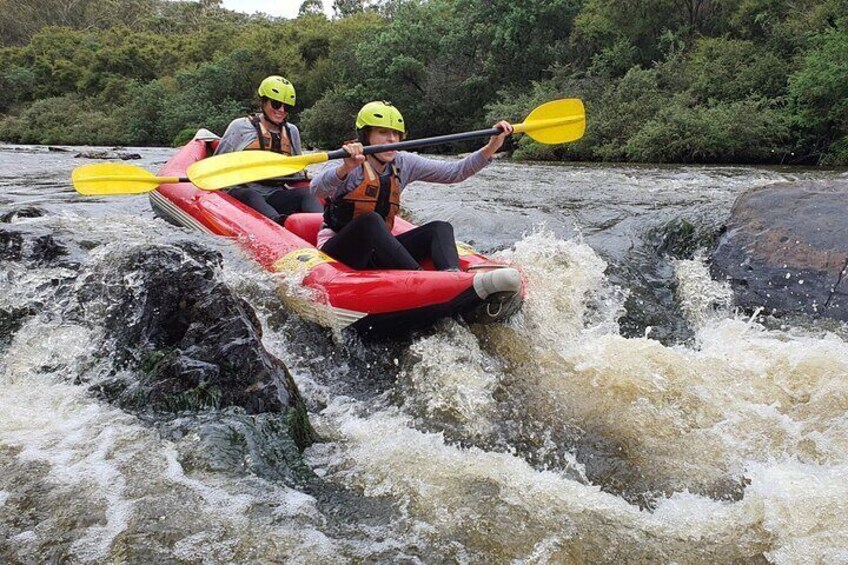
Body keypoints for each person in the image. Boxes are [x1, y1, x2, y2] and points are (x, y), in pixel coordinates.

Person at [310, 101, 512, 271]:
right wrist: (345, 168)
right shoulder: (349, 160)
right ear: (365, 136)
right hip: (341, 251)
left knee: (439, 228)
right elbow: (316, 189)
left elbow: (454, 173)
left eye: (396, 134)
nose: (392, 139)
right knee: (370, 220)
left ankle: (453, 276)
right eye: (383, 133)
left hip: (378, 250)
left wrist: (492, 146)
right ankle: (419, 278)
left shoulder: (403, 162)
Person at [214, 75, 321, 224]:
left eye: (286, 107)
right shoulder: (240, 127)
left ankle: (323, 228)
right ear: (263, 102)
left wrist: (306, 176)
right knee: (252, 195)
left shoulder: (292, 132)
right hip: (243, 192)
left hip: (273, 194)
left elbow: (296, 167)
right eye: (276, 104)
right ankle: (278, 224)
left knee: (307, 194)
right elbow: (217, 165)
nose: (281, 110)